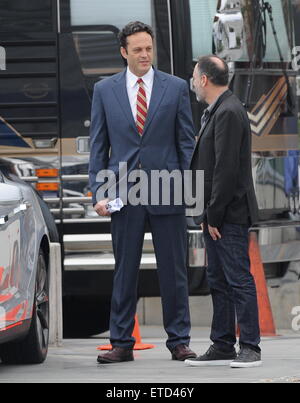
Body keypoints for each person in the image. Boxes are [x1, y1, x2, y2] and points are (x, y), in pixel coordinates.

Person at [89, 21, 196, 364]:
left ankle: (179, 341)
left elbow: (186, 144)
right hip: (122, 195)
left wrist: (189, 193)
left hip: (168, 192)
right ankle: (121, 343)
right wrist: (98, 193)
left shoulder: (175, 87)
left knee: (174, 271)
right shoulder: (104, 90)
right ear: (124, 52)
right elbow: (98, 147)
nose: (145, 54)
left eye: (148, 48)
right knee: (125, 270)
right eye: (137, 49)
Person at [186, 55, 262, 368]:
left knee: (238, 280)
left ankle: (250, 348)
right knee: (217, 280)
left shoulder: (229, 111)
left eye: (194, 77)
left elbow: (226, 169)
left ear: (204, 79)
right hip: (215, 213)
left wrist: (214, 215)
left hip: (228, 214)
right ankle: (222, 344)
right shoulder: (218, 110)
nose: (192, 82)